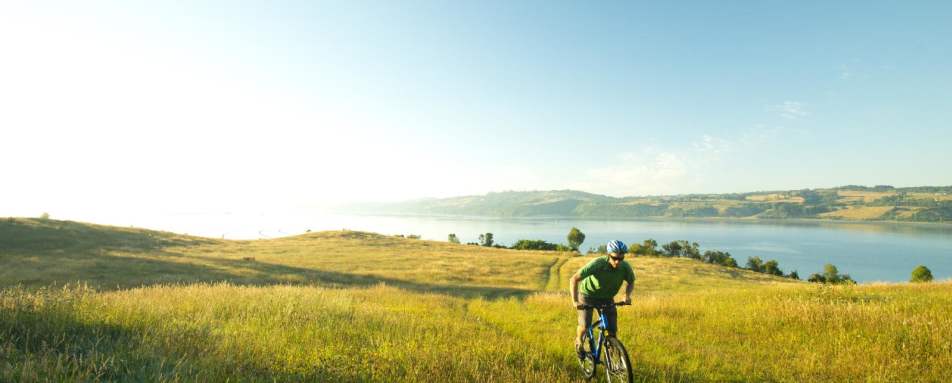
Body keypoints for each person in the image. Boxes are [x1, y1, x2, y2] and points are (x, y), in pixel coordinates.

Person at [570, 240, 635, 356]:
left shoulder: (625, 267)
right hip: (587, 296)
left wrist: (627, 296)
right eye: (614, 258)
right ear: (608, 255)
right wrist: (575, 301)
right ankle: (579, 341)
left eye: (621, 259)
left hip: (607, 298)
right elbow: (574, 279)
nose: (617, 261)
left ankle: (613, 357)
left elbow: (631, 282)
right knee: (585, 325)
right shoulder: (598, 264)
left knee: (612, 330)